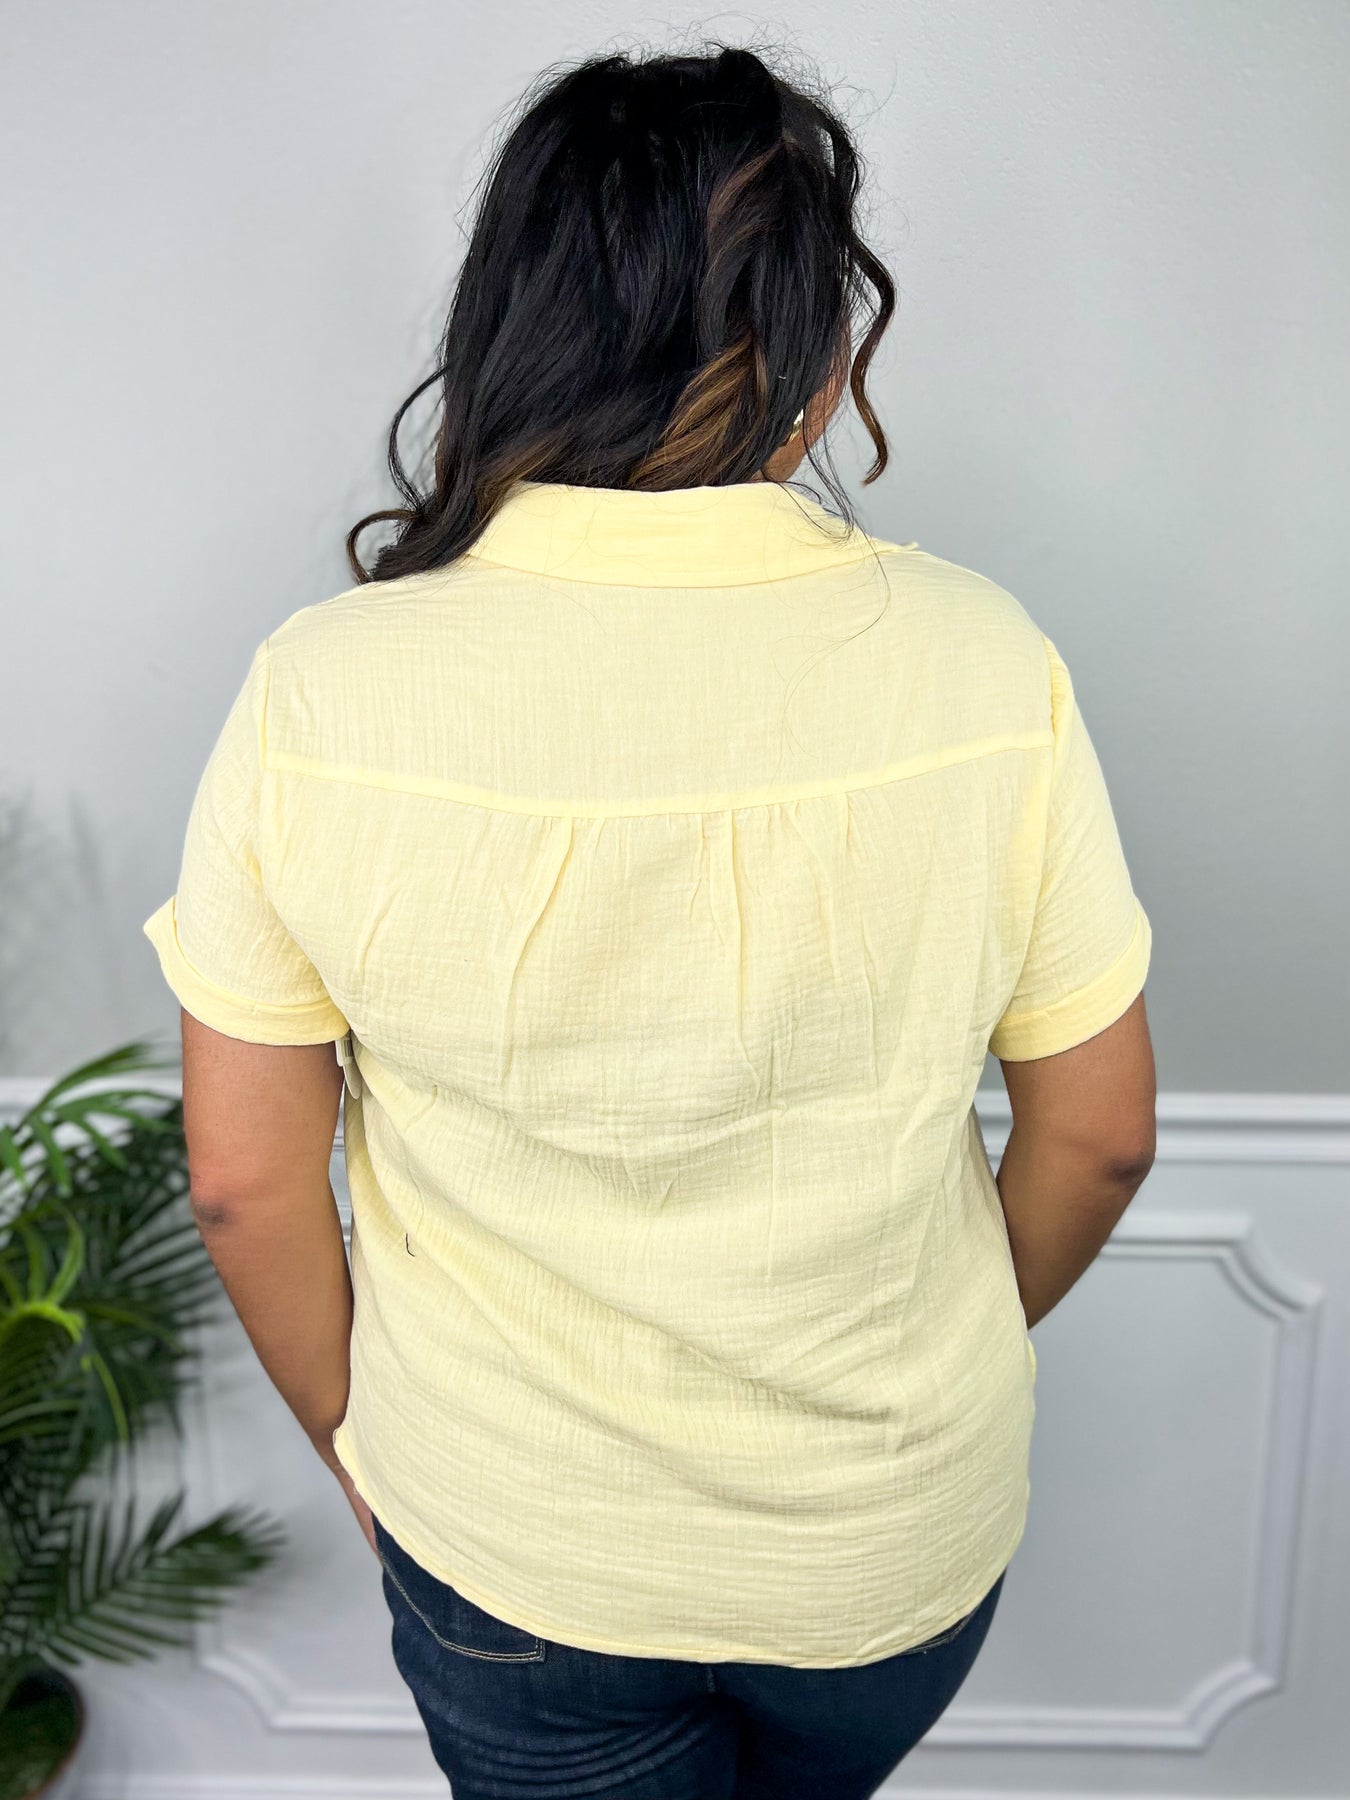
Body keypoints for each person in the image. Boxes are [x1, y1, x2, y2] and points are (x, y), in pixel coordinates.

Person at [143, 39, 1156, 1800]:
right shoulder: (982, 660)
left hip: (513, 1546)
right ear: (819, 352)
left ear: (509, 324)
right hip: (887, 1544)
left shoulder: (324, 690)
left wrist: (357, 1442)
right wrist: (933, 1378)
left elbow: (241, 1177)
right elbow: (1100, 1138)